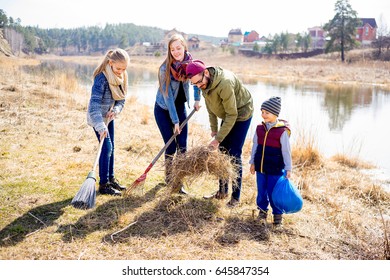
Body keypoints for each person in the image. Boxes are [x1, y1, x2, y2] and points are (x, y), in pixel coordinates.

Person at [186, 59, 253, 207]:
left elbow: (232, 115)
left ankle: (235, 198)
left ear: (206, 73)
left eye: (199, 82)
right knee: (222, 152)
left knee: (234, 154)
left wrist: (217, 139)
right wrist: (214, 130)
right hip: (228, 114)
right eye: (195, 84)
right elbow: (211, 109)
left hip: (241, 113)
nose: (199, 86)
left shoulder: (225, 83)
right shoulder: (204, 84)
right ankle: (222, 192)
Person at [154, 34, 201, 193]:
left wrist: (196, 99)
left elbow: (197, 80)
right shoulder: (164, 69)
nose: (175, 52)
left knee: (183, 147)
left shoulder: (190, 64)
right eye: (172, 49)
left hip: (180, 107)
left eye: (178, 48)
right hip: (163, 109)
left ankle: (178, 182)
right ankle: (168, 179)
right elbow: (168, 98)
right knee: (171, 145)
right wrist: (175, 122)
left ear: (184, 48)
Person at [87, 48, 130, 196]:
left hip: (109, 117)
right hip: (97, 118)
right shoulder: (101, 78)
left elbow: (121, 100)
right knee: (106, 148)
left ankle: (111, 179)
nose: (121, 72)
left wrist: (116, 110)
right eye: (118, 68)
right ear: (110, 63)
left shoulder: (121, 77)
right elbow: (93, 107)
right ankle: (104, 185)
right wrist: (100, 126)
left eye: (124, 69)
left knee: (112, 148)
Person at [249, 96, 292, 227]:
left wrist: (288, 168)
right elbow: (255, 146)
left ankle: (277, 215)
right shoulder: (259, 128)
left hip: (275, 169)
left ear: (275, 114)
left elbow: (286, 151)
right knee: (261, 191)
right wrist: (252, 162)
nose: (263, 115)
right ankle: (262, 212)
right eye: (262, 112)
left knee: (274, 192)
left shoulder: (282, 131)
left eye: (267, 112)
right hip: (261, 168)